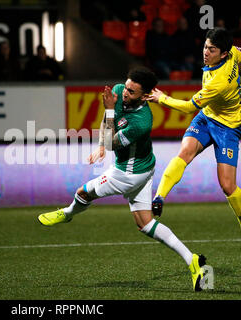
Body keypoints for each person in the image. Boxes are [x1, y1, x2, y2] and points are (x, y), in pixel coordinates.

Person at [38, 67, 208, 292]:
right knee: (145, 224)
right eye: (126, 87)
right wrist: (100, 143)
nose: (125, 93)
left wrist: (108, 114)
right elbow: (105, 128)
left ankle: (68, 214)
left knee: (82, 193)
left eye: (132, 91)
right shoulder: (118, 91)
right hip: (145, 167)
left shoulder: (142, 122)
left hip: (128, 175)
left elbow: (111, 141)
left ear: (145, 96)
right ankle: (192, 260)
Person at [146, 21, 241, 264]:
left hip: (228, 127)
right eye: (205, 46)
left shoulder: (218, 81)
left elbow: (187, 108)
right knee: (185, 152)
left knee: (227, 186)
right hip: (207, 118)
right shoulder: (232, 51)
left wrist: (162, 98)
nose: (205, 52)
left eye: (211, 50)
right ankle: (159, 196)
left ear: (223, 53)